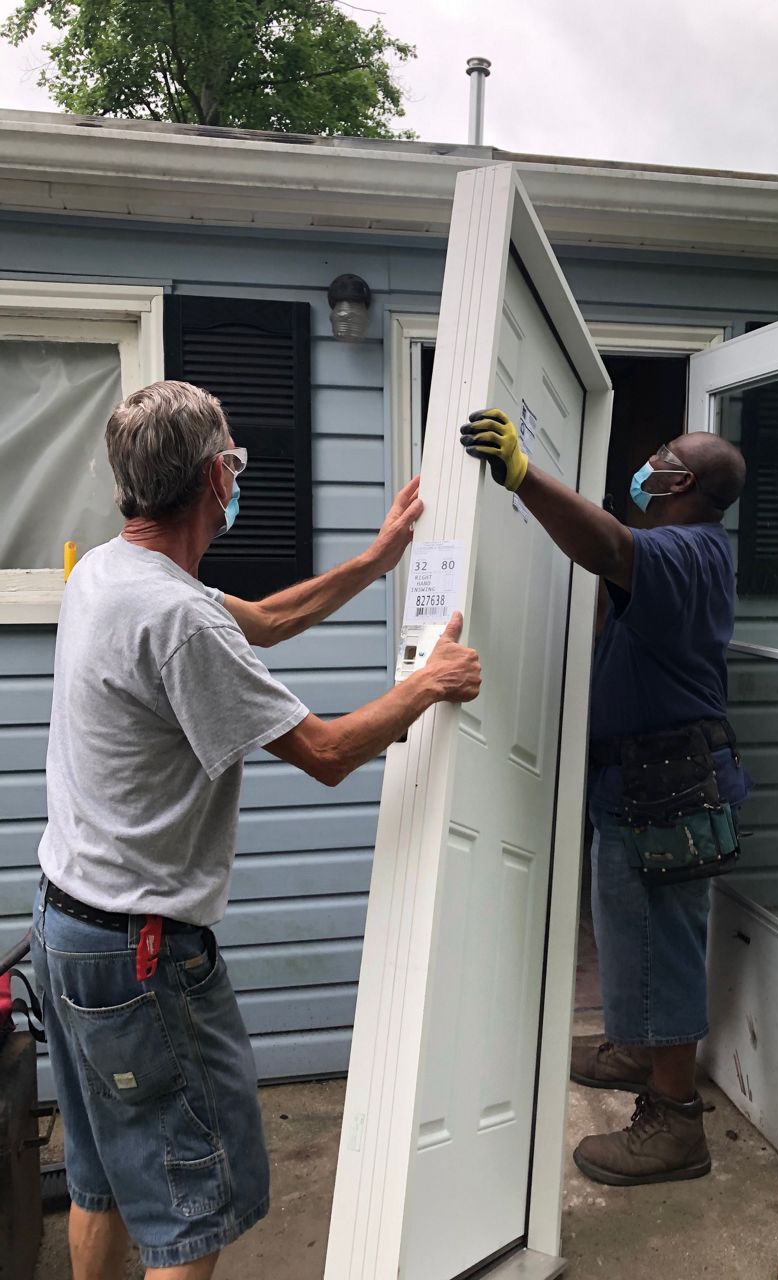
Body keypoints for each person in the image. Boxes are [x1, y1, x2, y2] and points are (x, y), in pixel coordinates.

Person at [32, 380, 481, 1280]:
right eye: (232, 461)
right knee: (190, 1208)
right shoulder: (178, 617)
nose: (236, 476)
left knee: (106, 1182)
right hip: (140, 955)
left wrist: (379, 559)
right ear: (213, 476)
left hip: (67, 930)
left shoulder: (110, 575)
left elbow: (268, 621)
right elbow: (323, 751)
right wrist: (428, 684)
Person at [459, 407, 748, 1188]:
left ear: (681, 481)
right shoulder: (676, 553)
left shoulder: (685, 550)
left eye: (661, 455)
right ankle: (633, 1043)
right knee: (628, 931)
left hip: (670, 789)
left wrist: (522, 475)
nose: (649, 462)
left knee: (662, 945)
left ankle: (675, 1125)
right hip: (642, 781)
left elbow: (613, 546)